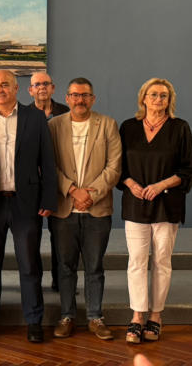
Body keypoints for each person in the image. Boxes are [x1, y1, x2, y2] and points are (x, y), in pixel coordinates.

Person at [0, 70, 57, 343]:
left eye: (5, 84)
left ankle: (34, 321)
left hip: (25, 203)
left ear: (16, 88)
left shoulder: (35, 118)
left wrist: (48, 199)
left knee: (29, 265)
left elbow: (47, 161)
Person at [118, 78, 192, 344]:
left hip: (167, 204)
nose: (158, 99)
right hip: (135, 203)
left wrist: (161, 185)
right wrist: (131, 183)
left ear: (169, 100)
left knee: (162, 261)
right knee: (137, 261)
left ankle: (155, 315)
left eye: (164, 95)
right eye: (153, 94)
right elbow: (118, 167)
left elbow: (189, 169)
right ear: (143, 98)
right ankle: (137, 316)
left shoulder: (180, 127)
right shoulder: (128, 127)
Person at [48, 78, 122, 341]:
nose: (80, 100)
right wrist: (71, 190)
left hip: (97, 210)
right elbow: (48, 165)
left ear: (93, 99)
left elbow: (114, 166)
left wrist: (91, 195)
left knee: (95, 267)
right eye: (75, 95)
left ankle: (95, 317)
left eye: (85, 95)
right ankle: (67, 316)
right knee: (65, 267)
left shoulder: (108, 124)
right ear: (67, 98)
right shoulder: (53, 126)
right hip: (64, 209)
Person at [27, 72, 70, 291]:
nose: (42, 87)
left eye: (46, 84)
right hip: (31, 184)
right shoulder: (23, 115)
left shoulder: (67, 113)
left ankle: (59, 280)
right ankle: (33, 283)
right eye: (37, 84)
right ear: (30, 90)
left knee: (59, 236)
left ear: (53, 88)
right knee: (31, 236)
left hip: (59, 181)